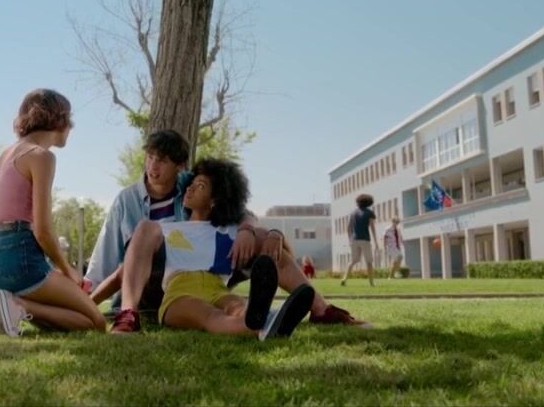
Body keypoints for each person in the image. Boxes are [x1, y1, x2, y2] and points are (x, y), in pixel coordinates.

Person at [87, 129, 366, 332]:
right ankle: (128, 316)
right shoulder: (130, 203)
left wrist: (261, 233)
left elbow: (240, 212)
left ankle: (313, 310)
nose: (152, 166)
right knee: (146, 233)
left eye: (162, 160)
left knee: (249, 274)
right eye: (150, 157)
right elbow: (115, 262)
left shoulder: (191, 187)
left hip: (212, 279)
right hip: (162, 284)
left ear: (180, 167)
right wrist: (87, 302)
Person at [0, 89, 106, 336]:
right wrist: (68, 271)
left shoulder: (4, 155)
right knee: (96, 322)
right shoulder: (41, 157)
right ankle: (16, 304)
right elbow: (42, 231)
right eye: (70, 120)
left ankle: (1, 304)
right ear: (59, 120)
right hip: (18, 264)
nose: (71, 127)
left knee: (62, 311)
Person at [157, 158, 316, 339]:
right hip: (179, 293)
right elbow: (139, 253)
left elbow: (261, 233)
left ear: (215, 199)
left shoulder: (228, 232)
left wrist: (275, 234)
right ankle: (264, 322)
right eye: (191, 184)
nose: (189, 189)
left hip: (217, 288)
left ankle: (265, 321)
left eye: (200, 186)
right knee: (209, 315)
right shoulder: (167, 228)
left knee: (240, 308)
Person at [341, 194, 377, 287]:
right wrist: (376, 241)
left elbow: (348, 228)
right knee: (369, 261)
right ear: (369, 202)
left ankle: (345, 278)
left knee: (353, 260)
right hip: (365, 239)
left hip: (354, 240)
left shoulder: (353, 213)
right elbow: (372, 227)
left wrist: (350, 240)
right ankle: (371, 282)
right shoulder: (370, 213)